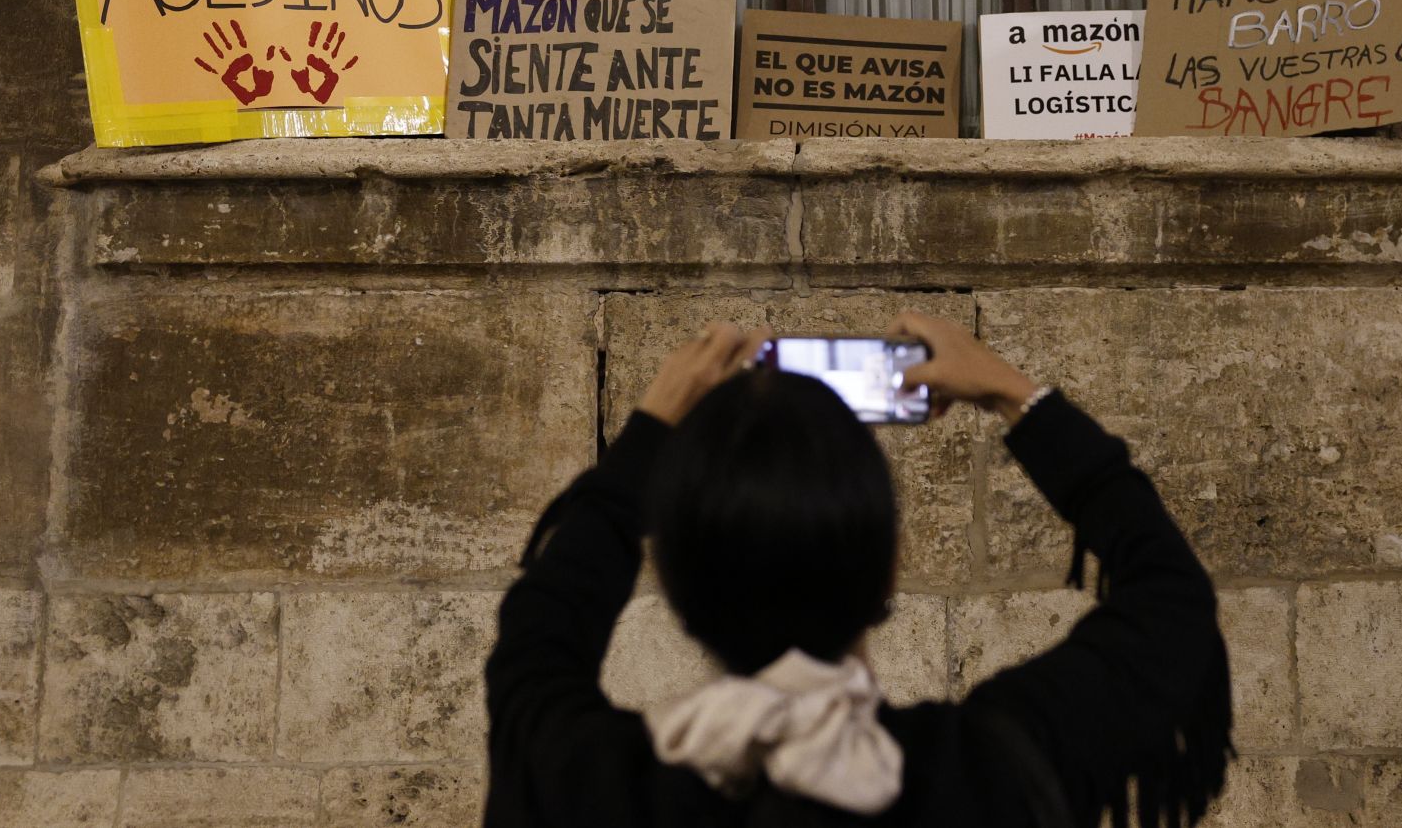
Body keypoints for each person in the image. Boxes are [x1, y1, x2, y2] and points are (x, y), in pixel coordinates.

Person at [484, 313, 1232, 827]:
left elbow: (540, 628)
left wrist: (646, 438)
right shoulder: (986, 770)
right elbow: (1169, 597)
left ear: (673, 586)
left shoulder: (591, 780)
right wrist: (1016, 395)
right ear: (889, 568)